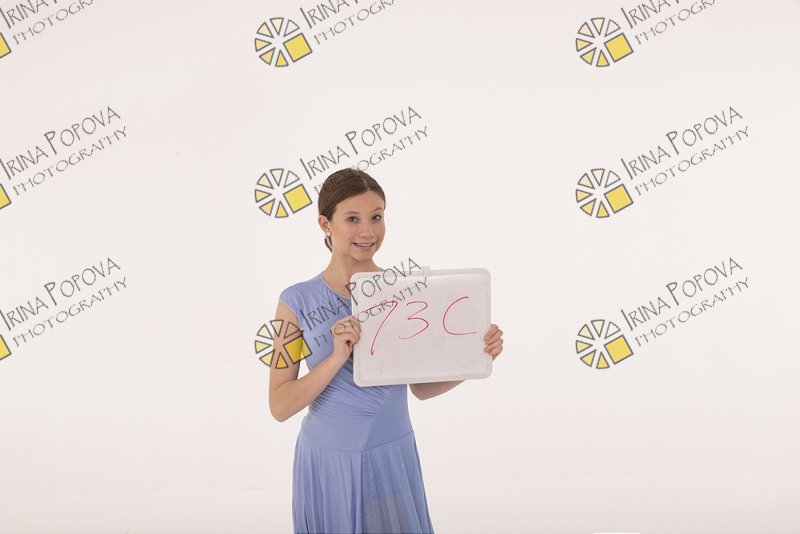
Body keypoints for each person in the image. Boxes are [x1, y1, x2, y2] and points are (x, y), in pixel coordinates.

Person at [268, 167, 504, 533]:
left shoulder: (406, 291)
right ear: (325, 224)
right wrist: (336, 358)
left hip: (390, 456)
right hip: (326, 459)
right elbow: (280, 406)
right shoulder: (294, 301)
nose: (368, 231)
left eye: (376, 217)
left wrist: (476, 356)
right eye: (353, 219)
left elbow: (421, 388)